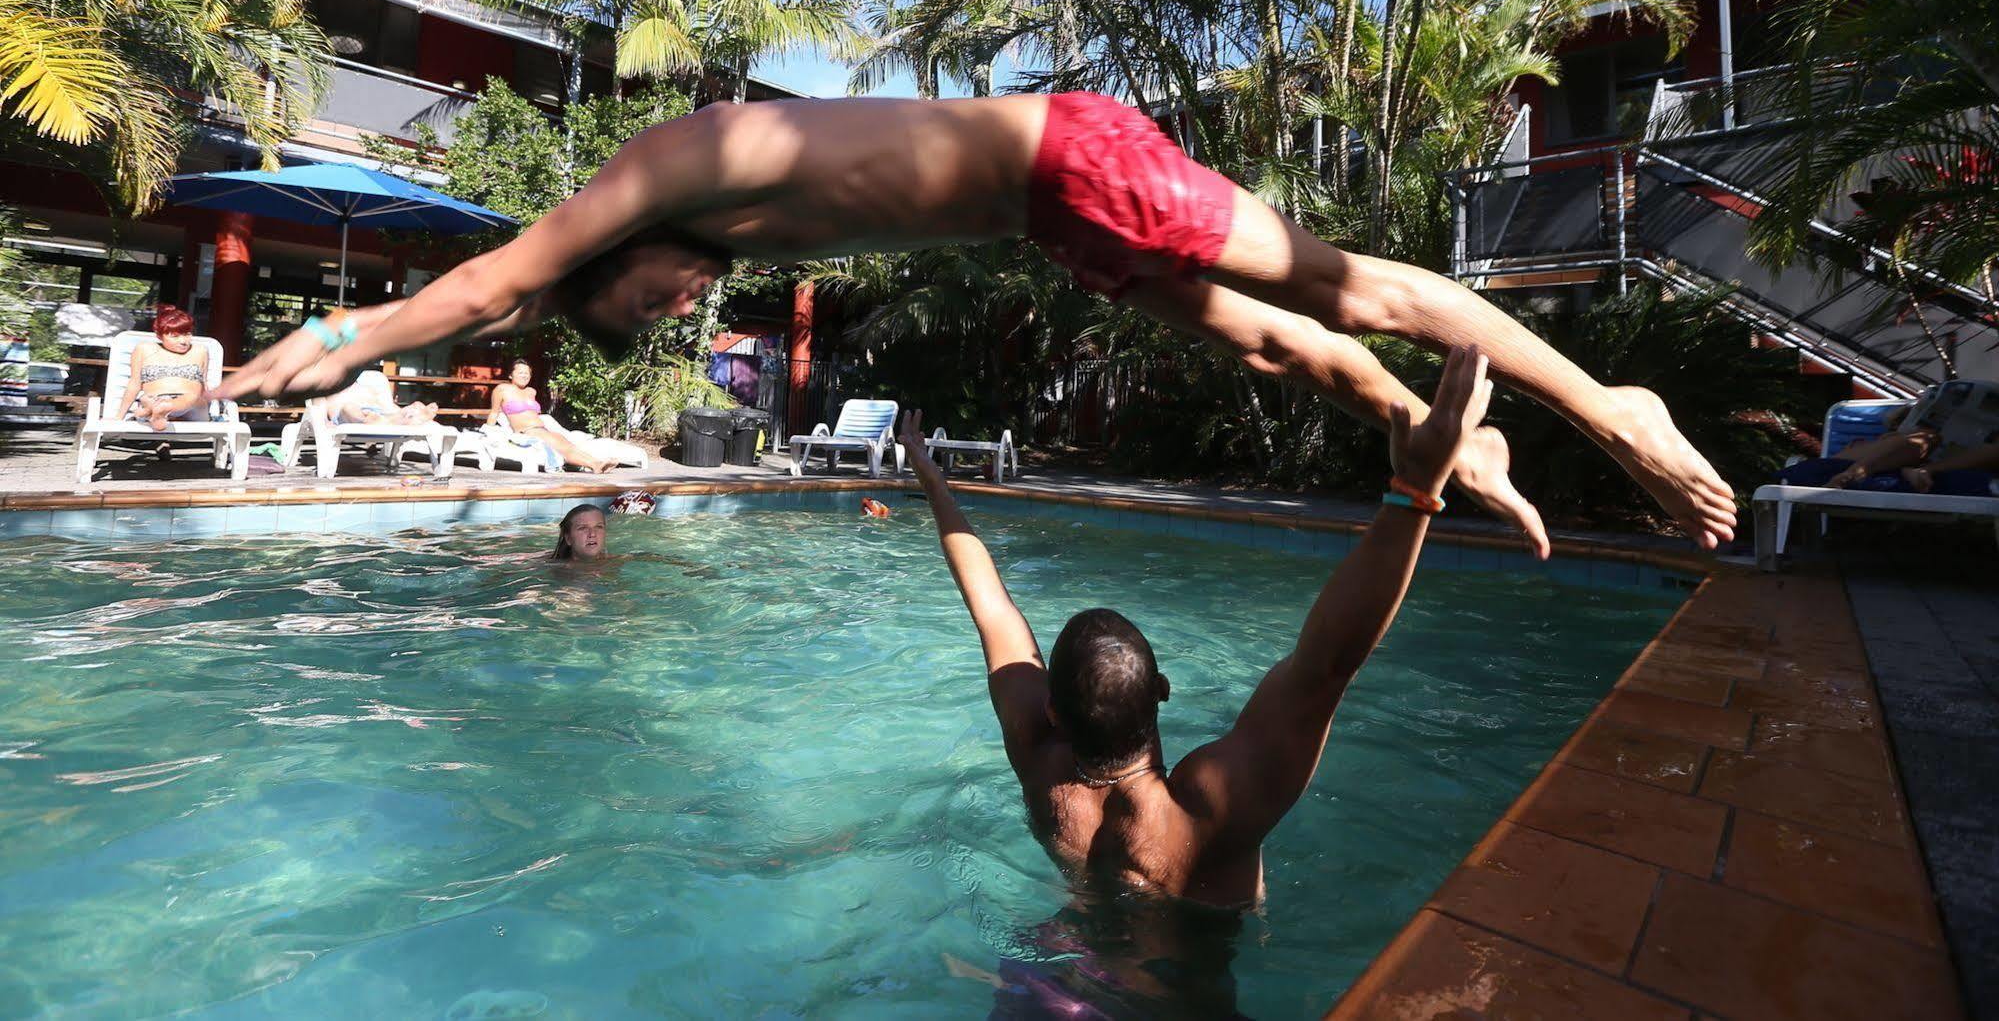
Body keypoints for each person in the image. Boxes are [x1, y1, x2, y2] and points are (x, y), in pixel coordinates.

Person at [213, 92, 1734, 550]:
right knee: (1282, 347)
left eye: (652, 295)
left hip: (1070, 158)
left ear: (604, 261)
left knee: (1352, 288)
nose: (683, 300)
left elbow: (489, 283)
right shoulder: (706, 216)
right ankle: (1433, 439)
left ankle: (1613, 409)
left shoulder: (658, 169)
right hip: (1053, 221)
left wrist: (344, 342)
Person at [896, 343, 1493, 907]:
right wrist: (1417, 491)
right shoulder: (1205, 816)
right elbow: (1325, 668)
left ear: (1053, 711)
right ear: (1162, 691)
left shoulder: (1039, 760)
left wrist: (930, 476)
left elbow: (990, 606)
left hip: (1055, 977)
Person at [1780, 380, 1999, 495]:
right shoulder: (1904, 436)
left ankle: (1922, 471)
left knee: (1924, 440)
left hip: (1927, 463)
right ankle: (1851, 474)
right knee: (1925, 437)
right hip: (1883, 457)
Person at [487, 359, 614, 473]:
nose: (525, 375)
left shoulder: (531, 392)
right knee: (562, 447)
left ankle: (596, 462)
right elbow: (494, 412)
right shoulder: (502, 389)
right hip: (526, 432)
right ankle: (594, 465)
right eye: (520, 372)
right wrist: (488, 433)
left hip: (543, 429)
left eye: (527, 373)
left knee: (568, 445)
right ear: (510, 374)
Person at [115, 305, 209, 431]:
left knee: (192, 396)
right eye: (175, 336)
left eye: (187, 334)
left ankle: (153, 410)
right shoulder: (144, 349)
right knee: (147, 398)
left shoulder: (200, 351)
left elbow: (204, 384)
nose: (183, 341)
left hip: (192, 407)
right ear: (160, 336)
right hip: (156, 398)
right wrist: (119, 417)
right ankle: (156, 411)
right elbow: (134, 383)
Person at [326, 369, 440, 426]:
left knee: (394, 410)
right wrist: (326, 421)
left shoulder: (367, 379)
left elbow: (384, 404)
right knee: (349, 408)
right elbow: (326, 405)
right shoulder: (332, 383)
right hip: (344, 416)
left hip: (375, 413)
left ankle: (411, 414)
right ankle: (407, 418)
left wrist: (389, 408)